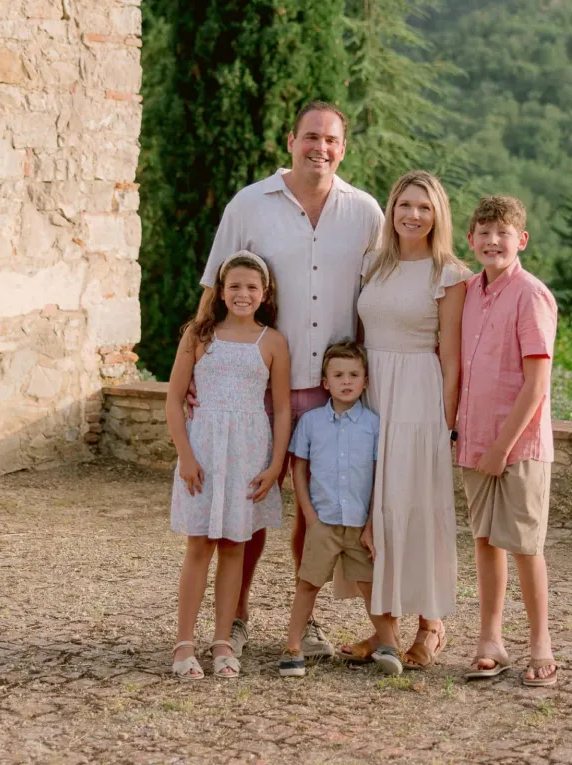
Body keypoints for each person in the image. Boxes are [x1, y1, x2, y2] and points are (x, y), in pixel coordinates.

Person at [194, 101, 383, 660]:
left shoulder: (366, 212)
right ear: (290, 140)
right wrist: (192, 368)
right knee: (248, 503)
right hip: (257, 385)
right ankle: (236, 614)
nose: (319, 148)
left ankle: (307, 620)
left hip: (330, 392)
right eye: (310, 137)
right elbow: (213, 290)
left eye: (330, 140)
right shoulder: (250, 204)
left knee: (315, 511)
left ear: (343, 148)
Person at [338, 170, 470, 670]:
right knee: (375, 505)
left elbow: (452, 357)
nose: (412, 215)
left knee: (416, 506)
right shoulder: (373, 263)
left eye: (424, 207)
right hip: (372, 391)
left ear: (438, 215)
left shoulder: (449, 274)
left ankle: (431, 624)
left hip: (419, 394)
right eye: (405, 205)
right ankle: (383, 623)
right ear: (391, 210)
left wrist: (448, 423)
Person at [166, 251, 292, 680]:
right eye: (234, 286)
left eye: (251, 287)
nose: (243, 294)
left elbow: (282, 408)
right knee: (199, 545)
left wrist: (275, 465)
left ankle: (223, 642)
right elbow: (173, 398)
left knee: (236, 546)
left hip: (247, 455)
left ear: (264, 293)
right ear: (221, 291)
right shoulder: (199, 336)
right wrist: (185, 455)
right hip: (203, 453)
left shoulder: (272, 342)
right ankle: (184, 644)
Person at [456, 196, 558, 687]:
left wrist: (501, 447)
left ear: (521, 240)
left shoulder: (531, 295)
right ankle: (490, 640)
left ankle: (541, 644)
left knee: (524, 545)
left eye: (503, 233)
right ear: (470, 239)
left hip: (518, 447)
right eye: (484, 232)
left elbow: (537, 384)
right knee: (485, 542)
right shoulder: (470, 292)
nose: (492, 241)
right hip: (474, 441)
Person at [279, 342, 401, 677]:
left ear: (365, 381)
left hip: (359, 524)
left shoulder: (374, 425)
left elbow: (379, 476)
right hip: (324, 522)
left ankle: (389, 645)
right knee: (308, 582)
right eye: (338, 375)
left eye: (354, 374)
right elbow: (298, 469)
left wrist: (371, 523)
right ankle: (293, 646)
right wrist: (310, 516)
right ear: (325, 382)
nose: (346, 381)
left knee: (369, 585)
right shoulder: (311, 422)